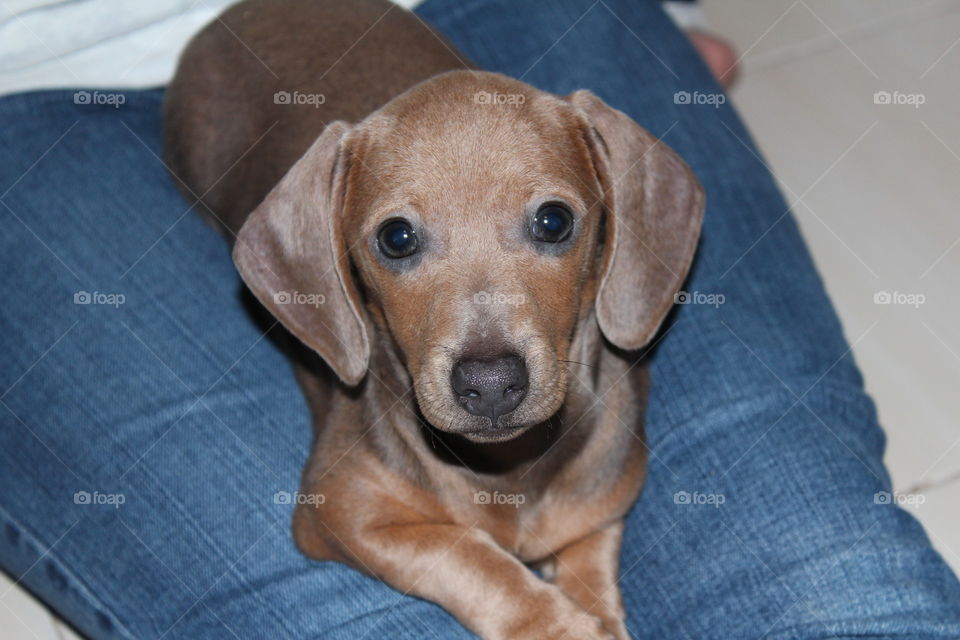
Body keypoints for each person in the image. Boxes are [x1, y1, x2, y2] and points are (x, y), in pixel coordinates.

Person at [1, 0, 958, 638]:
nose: (487, 358)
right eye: (401, 243)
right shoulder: (307, 208)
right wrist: (523, 609)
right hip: (74, 83)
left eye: (550, 224)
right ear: (335, 268)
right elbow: (335, 512)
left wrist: (587, 580)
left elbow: (598, 493)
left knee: (847, 588)